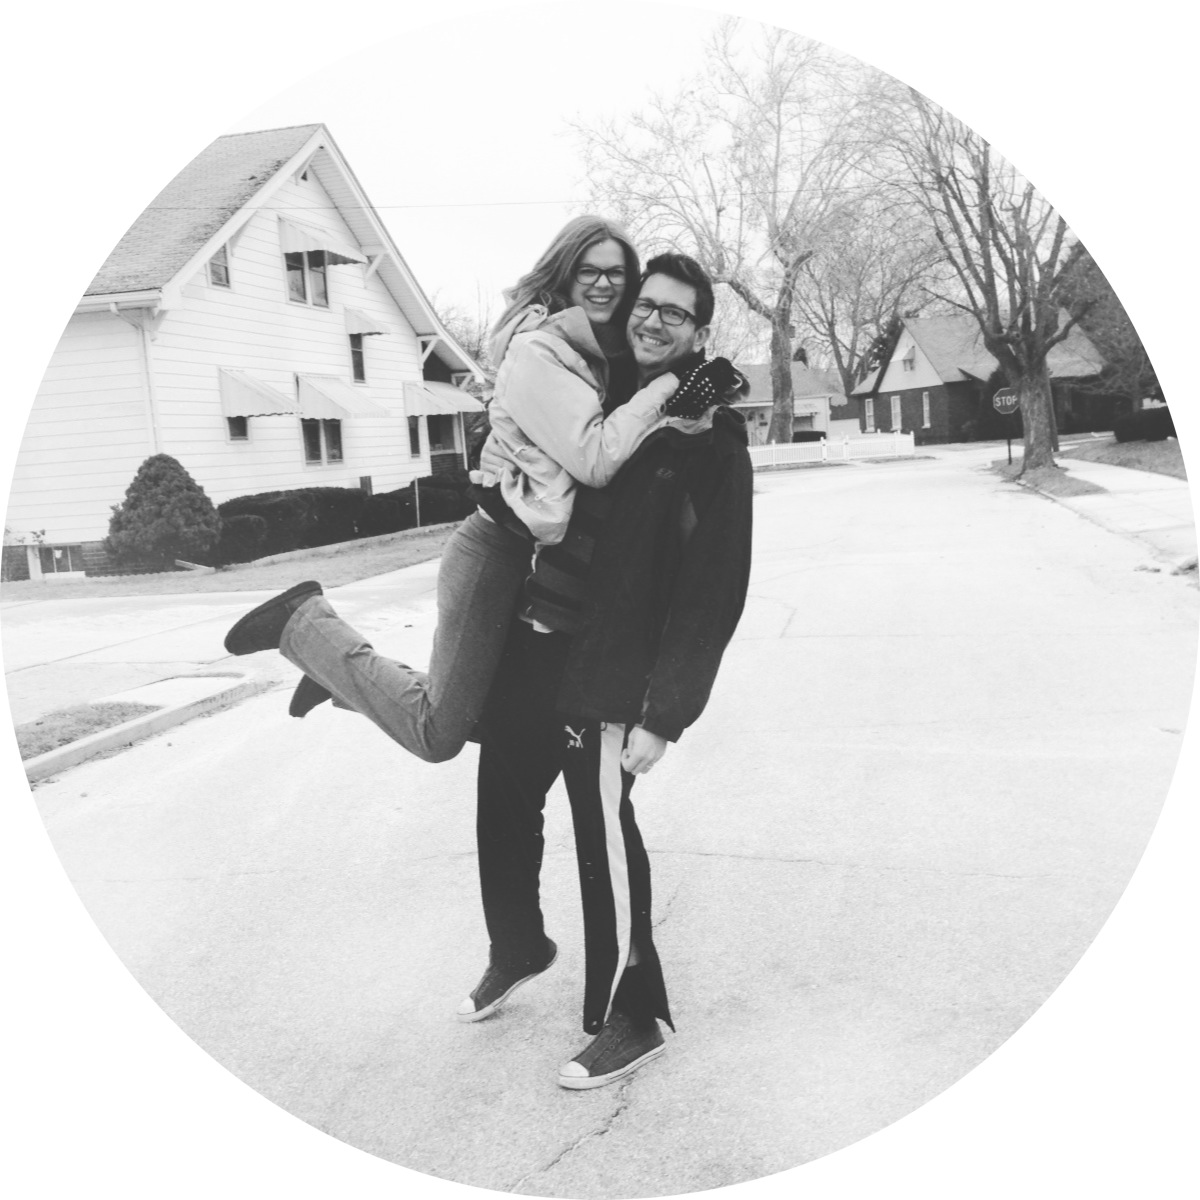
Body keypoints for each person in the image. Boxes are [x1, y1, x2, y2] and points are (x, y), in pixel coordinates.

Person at [223, 218, 736, 762]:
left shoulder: (601, 354)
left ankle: (338, 674)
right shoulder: (542, 347)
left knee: (504, 713)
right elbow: (595, 459)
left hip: (532, 560)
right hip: (494, 550)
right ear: (565, 273)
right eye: (589, 271)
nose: (603, 284)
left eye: (616, 273)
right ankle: (304, 626)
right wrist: (670, 386)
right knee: (440, 734)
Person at [458, 253, 754, 1090]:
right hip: (539, 638)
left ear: (699, 331)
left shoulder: (711, 436)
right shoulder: (606, 393)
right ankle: (519, 944)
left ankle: (635, 1013)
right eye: (645, 305)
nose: (653, 320)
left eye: (674, 313)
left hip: (611, 666)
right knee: (502, 796)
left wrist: (665, 713)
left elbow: (714, 587)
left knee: (602, 831)